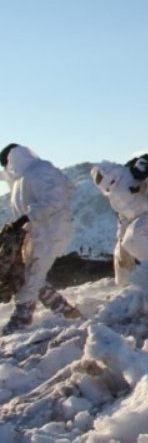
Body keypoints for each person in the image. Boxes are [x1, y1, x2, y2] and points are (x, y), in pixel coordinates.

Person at [1, 143, 81, 334]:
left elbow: (55, 200)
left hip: (51, 231)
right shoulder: (22, 177)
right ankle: (66, 311)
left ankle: (22, 318)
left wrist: (26, 218)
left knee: (32, 276)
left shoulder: (39, 171)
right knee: (27, 274)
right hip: (36, 233)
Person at [90, 155, 148, 285]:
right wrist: (121, 236)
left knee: (133, 238)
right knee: (121, 250)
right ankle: (124, 283)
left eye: (99, 176)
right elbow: (124, 215)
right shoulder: (113, 195)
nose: (99, 180)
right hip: (141, 216)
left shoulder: (131, 171)